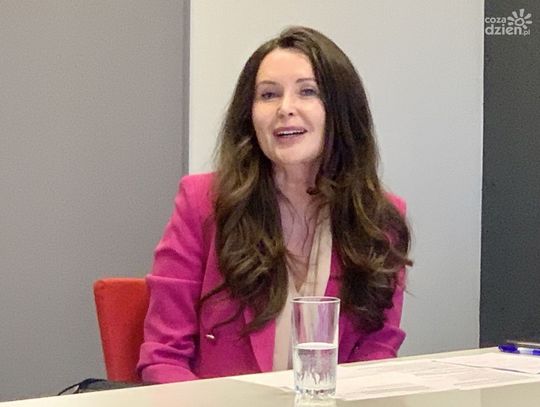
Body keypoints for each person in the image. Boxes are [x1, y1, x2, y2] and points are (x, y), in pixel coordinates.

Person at [137, 26, 412, 384]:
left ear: (341, 110)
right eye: (268, 95)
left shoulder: (378, 220)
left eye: (307, 91)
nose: (285, 109)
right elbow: (164, 357)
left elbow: (376, 354)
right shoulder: (202, 202)